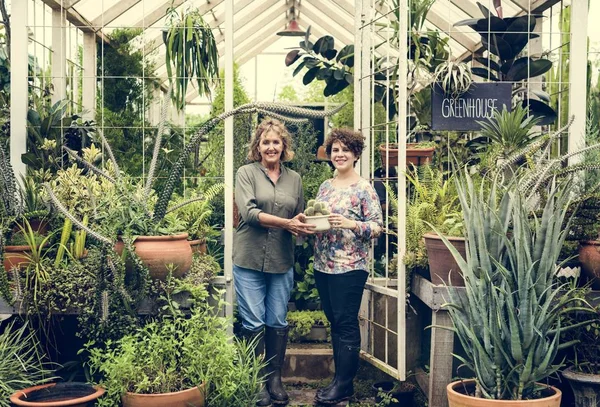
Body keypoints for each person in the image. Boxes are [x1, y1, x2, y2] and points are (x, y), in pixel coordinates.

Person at [234, 118, 315, 406]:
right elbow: (249, 213)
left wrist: (304, 223)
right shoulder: (246, 173)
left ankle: (274, 378)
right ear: (258, 146)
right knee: (253, 321)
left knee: (277, 320)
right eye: (265, 142)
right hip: (249, 258)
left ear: (284, 147)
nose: (271, 147)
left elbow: (300, 214)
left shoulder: (295, 179)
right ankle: (256, 380)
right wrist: (287, 223)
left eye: (276, 142)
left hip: (281, 259)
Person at [311, 128, 383, 405]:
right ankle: (340, 381)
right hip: (323, 264)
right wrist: (309, 222)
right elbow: (320, 219)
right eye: (335, 150)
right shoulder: (326, 187)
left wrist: (352, 223)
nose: (339, 154)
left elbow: (377, 226)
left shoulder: (364, 188)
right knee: (334, 321)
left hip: (350, 266)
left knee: (346, 322)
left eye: (345, 149)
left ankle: (344, 384)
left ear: (356, 154)